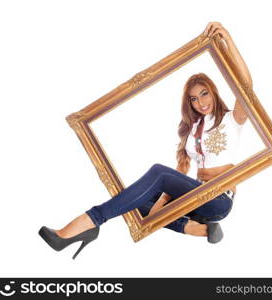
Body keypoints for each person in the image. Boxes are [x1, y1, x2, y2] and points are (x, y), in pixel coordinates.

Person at [38, 22, 253, 259]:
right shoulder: (191, 131)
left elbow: (245, 86)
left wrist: (228, 40)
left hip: (218, 200)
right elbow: (180, 175)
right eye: (193, 99)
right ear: (188, 103)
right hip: (196, 197)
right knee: (134, 199)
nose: (200, 102)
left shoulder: (233, 119)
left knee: (157, 174)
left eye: (204, 94)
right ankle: (199, 229)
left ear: (213, 91)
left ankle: (89, 221)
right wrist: (159, 207)